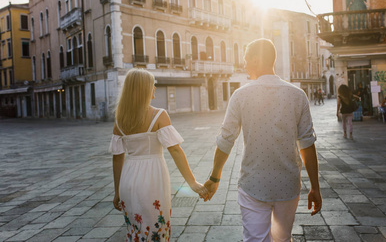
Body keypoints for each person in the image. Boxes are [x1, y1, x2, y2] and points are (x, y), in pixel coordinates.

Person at [203, 39, 322, 242]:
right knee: (282, 239)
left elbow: (226, 140)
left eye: (246, 60)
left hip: (253, 184)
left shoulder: (240, 96)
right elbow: (307, 144)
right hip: (288, 185)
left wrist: (214, 178)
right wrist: (315, 187)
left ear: (256, 60)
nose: (244, 65)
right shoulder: (297, 95)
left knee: (255, 239)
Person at [109, 68, 208, 242]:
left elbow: (117, 158)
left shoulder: (120, 119)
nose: (155, 88)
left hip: (128, 178)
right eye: (153, 84)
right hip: (152, 177)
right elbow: (175, 150)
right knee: (157, 229)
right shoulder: (159, 115)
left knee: (135, 230)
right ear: (144, 89)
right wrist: (192, 183)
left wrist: (117, 191)